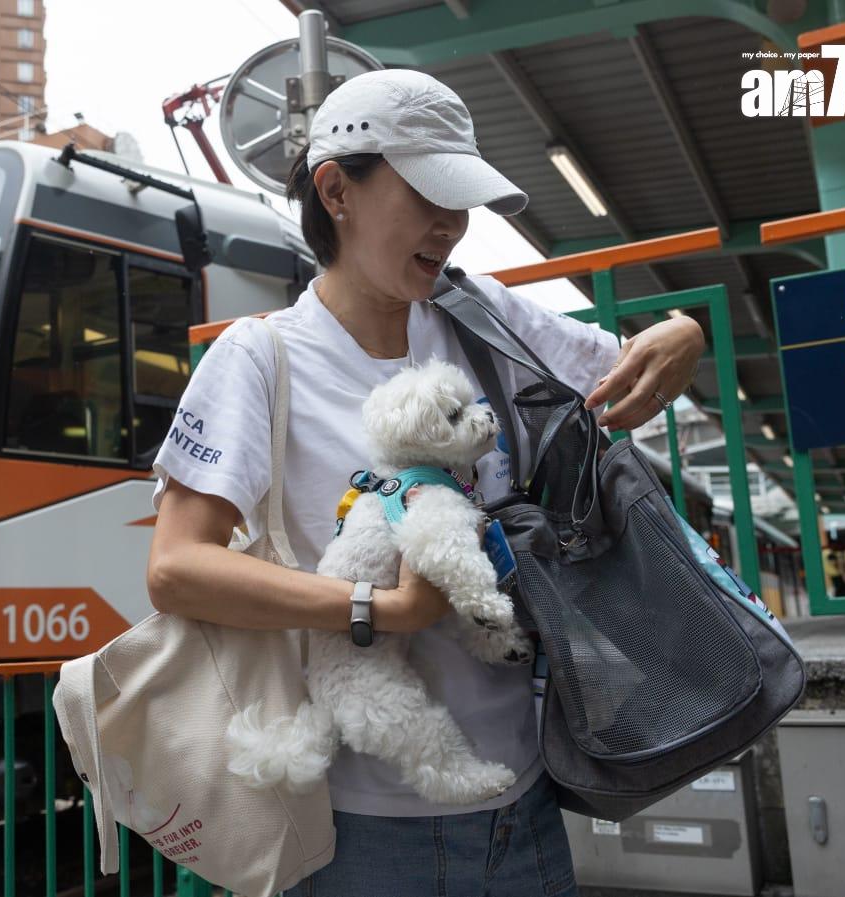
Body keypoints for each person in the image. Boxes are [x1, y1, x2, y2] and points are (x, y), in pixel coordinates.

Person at [146, 69, 705, 897]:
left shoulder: (482, 318)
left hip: (525, 802)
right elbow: (176, 568)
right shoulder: (259, 357)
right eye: (428, 196)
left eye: (462, 201)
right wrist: (379, 607)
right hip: (356, 832)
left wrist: (683, 333)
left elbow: (625, 378)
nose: (453, 226)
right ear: (337, 190)